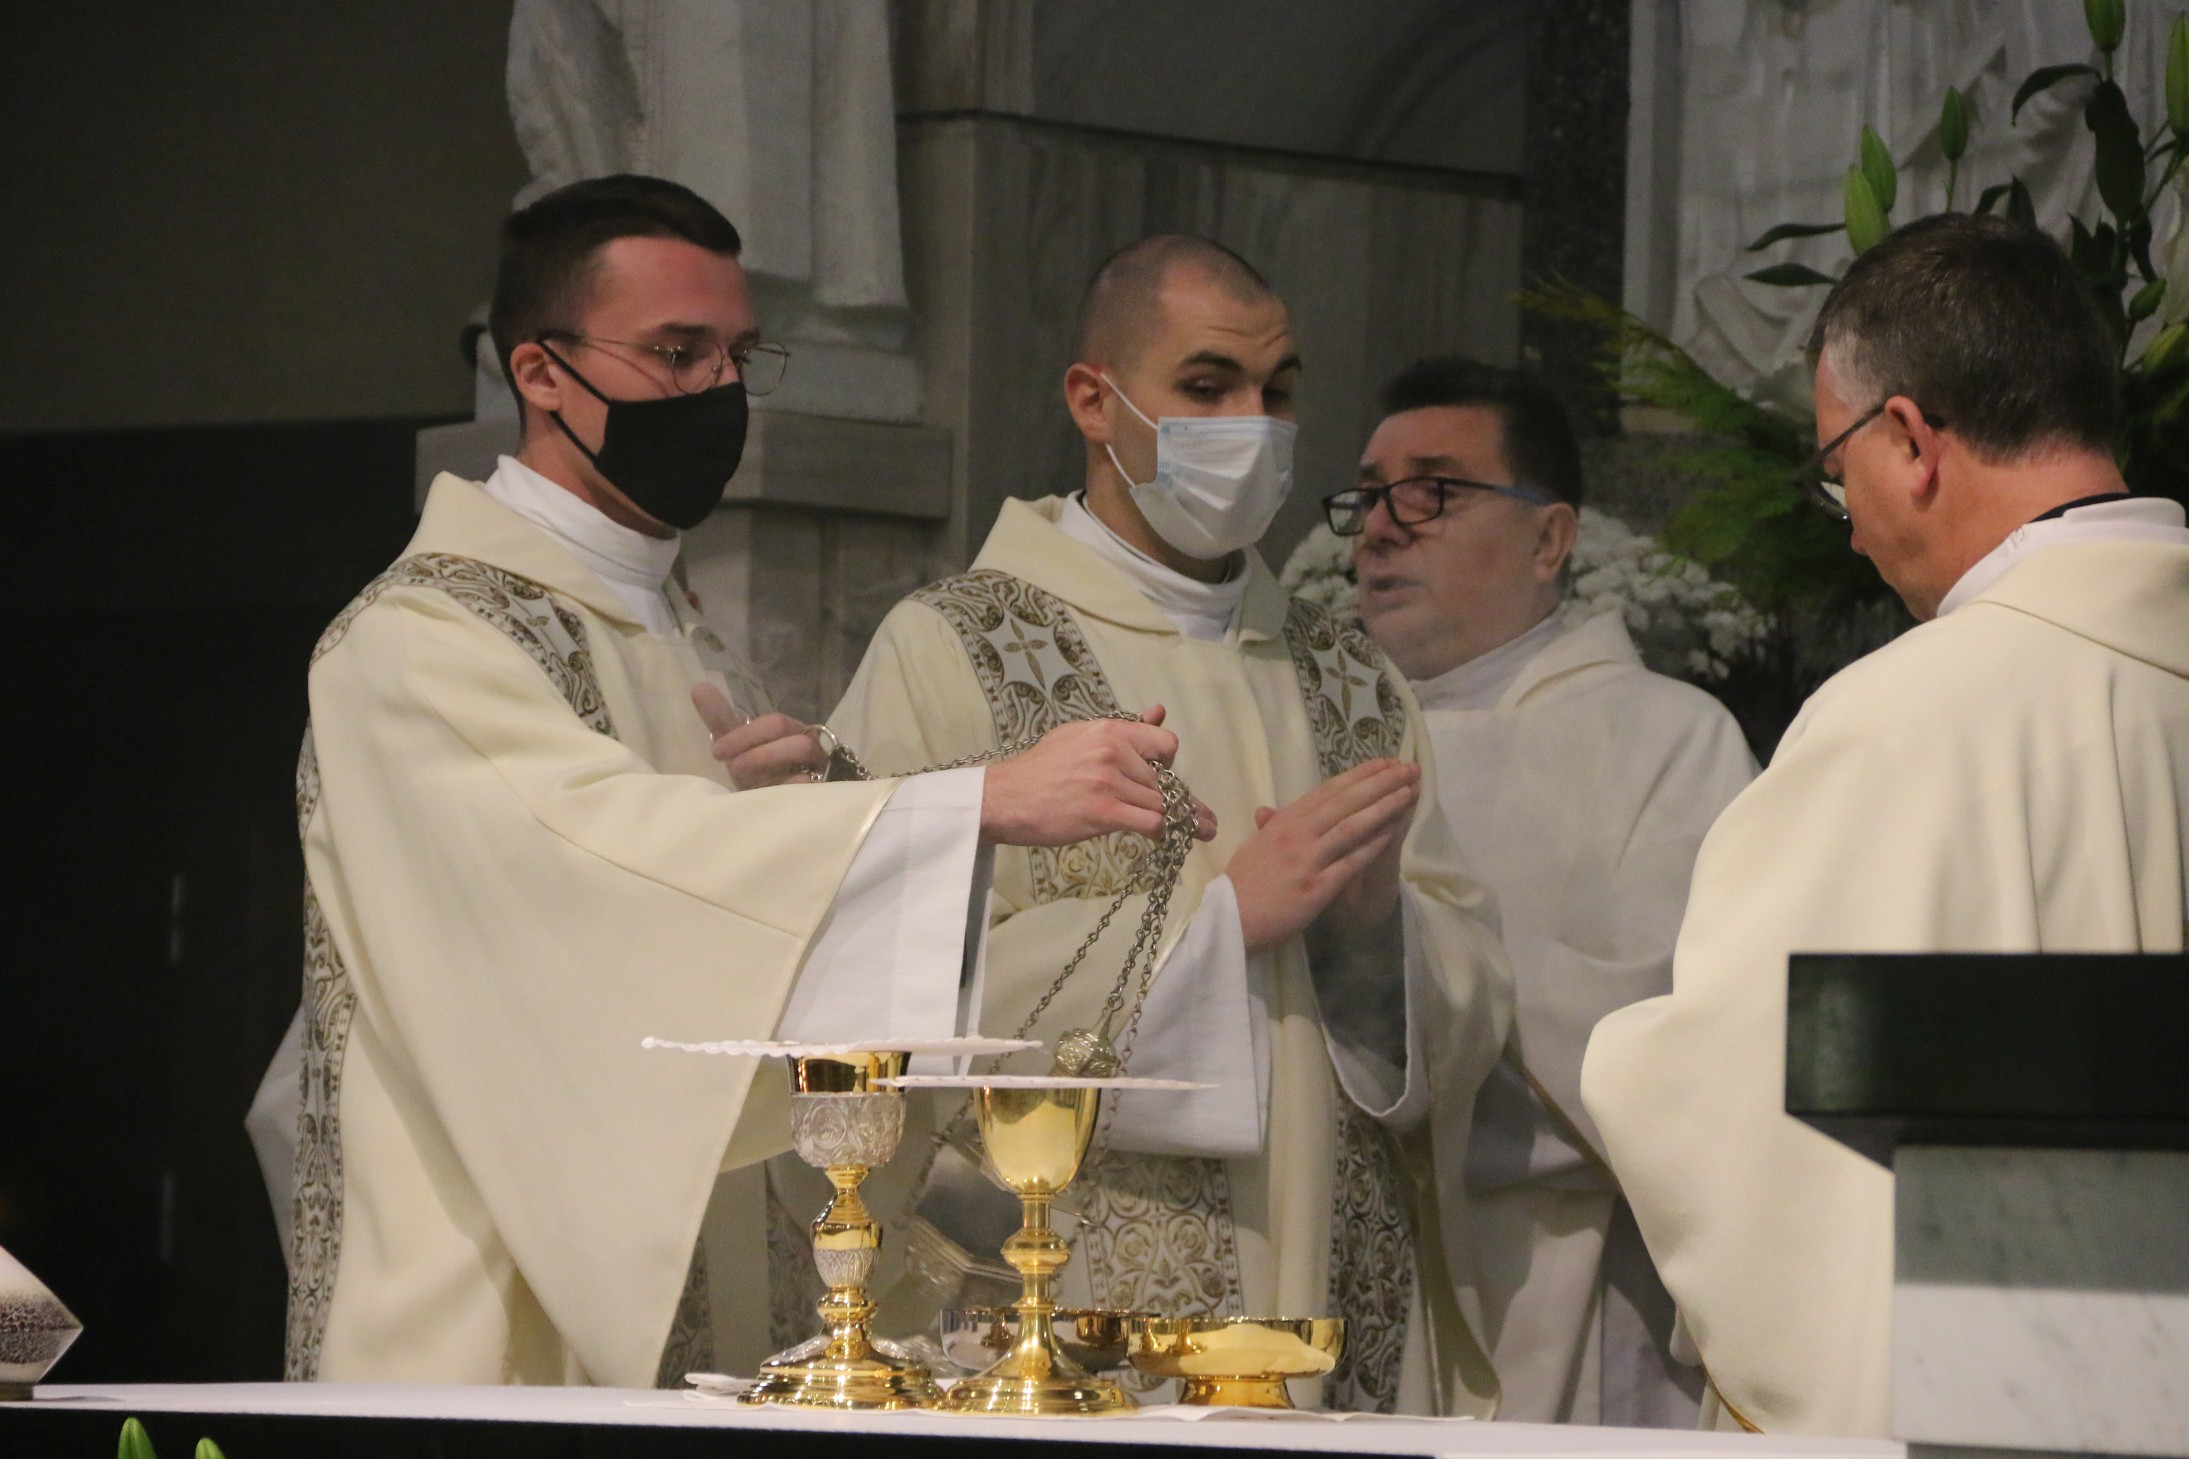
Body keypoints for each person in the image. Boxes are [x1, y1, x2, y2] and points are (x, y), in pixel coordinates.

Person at [276, 174, 1201, 1388]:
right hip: (486, 1330)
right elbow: (600, 874)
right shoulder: (418, 641)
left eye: (737, 355)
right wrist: (974, 802)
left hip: (725, 1303)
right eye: (676, 353)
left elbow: (724, 944)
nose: (717, 390)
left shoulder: (681, 637)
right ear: (539, 372)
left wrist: (823, 811)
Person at [752, 235, 1513, 1415]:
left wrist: (1377, 938)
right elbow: (872, 992)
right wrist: (1218, 926)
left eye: (1277, 390)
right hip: (1065, 1303)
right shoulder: (952, 647)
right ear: (1092, 401)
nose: (1251, 424)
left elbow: (1469, 995)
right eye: (1206, 387)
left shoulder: (1351, 675)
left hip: (1332, 1290)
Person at [1581, 212, 2189, 1437]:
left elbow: (1751, 1093)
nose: (1848, 527)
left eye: (1834, 470)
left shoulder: (1909, 719)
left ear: (1907, 439)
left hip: (2021, 1400)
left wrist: (1619, 1056)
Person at [1339, 357, 1755, 1427]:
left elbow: (1688, 1041)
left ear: (1549, 538)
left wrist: (1399, 955)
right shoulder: (1321, 732)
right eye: (1370, 495)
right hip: (1347, 1278)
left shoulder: (1668, 737)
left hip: (1564, 1286)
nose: (1380, 528)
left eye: (1431, 491)